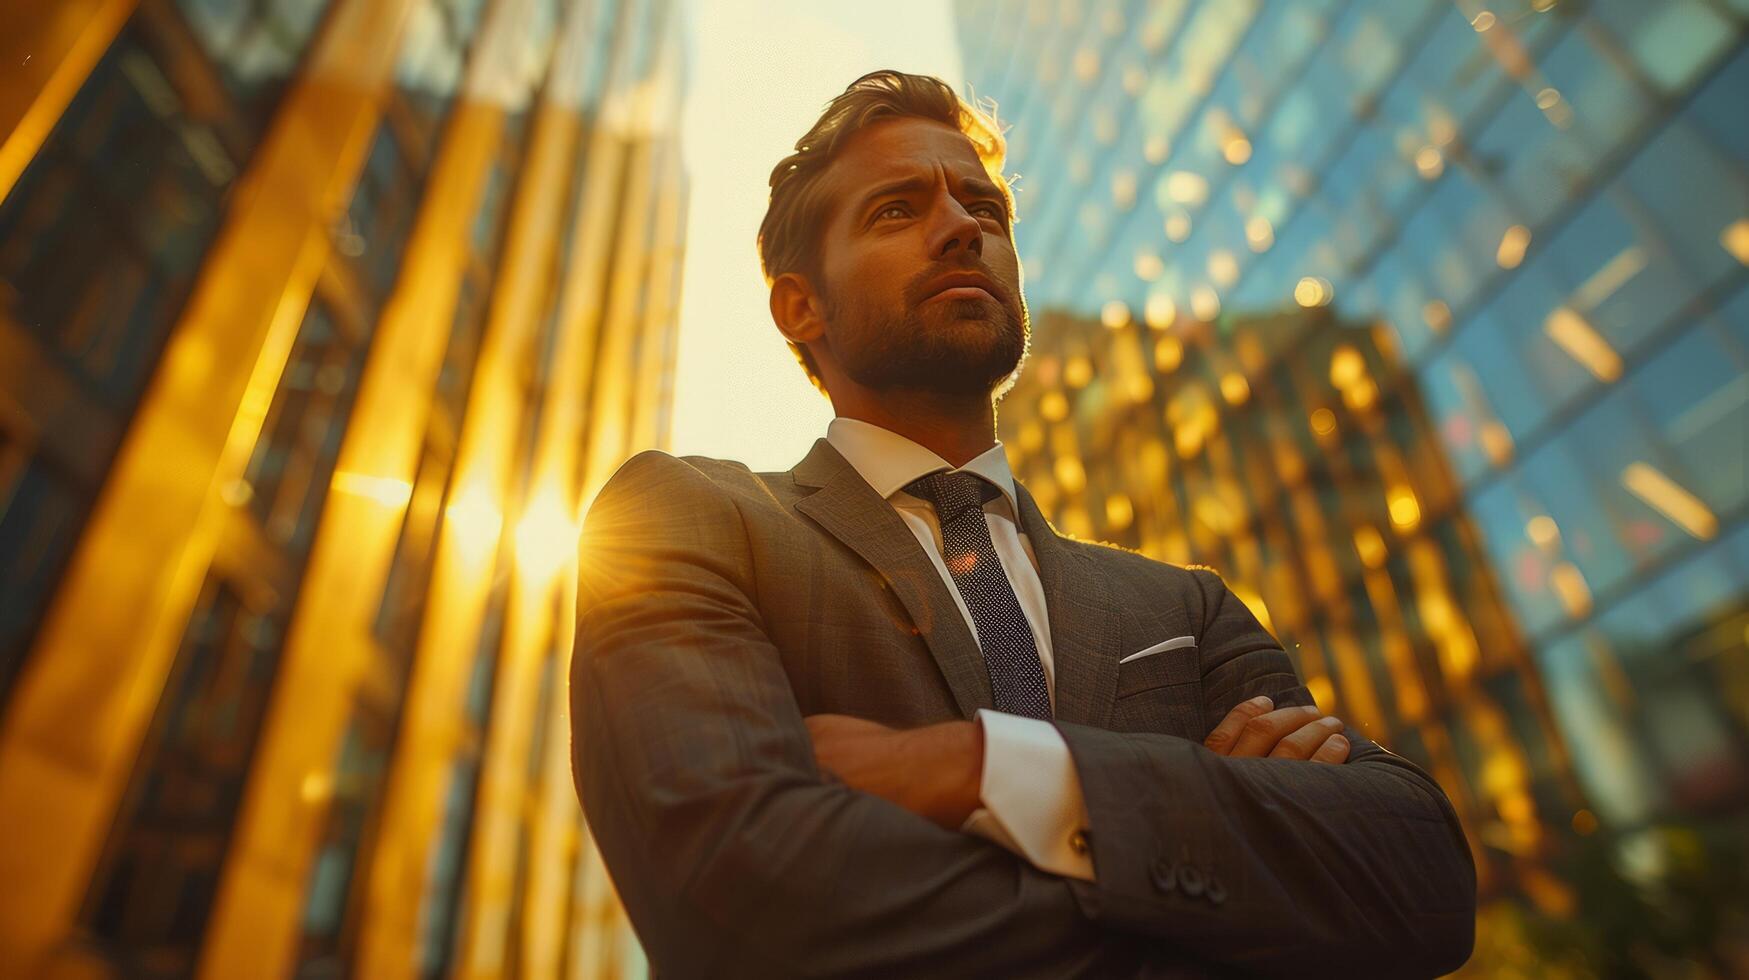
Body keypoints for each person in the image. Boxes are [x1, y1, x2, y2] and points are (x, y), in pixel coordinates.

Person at [570, 70, 1476, 978]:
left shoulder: (1186, 608)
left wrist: (984, 768)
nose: (963, 228)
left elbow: (1419, 881)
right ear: (800, 306)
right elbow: (739, 892)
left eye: (984, 209)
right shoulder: (690, 518)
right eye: (895, 209)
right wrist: (1216, 866)